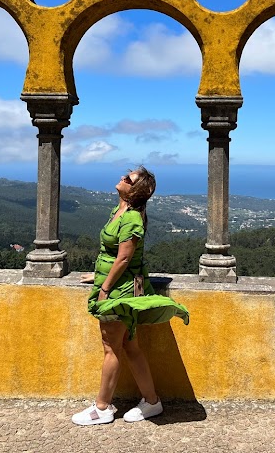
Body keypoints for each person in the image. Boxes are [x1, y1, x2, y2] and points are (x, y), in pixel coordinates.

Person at [72, 166, 189, 426]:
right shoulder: (119, 211)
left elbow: (124, 258)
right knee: (129, 346)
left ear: (135, 191)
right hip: (116, 283)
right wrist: (98, 275)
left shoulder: (133, 218)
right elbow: (113, 253)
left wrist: (104, 289)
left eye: (128, 178)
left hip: (119, 290)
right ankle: (152, 401)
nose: (122, 178)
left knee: (111, 346)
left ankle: (102, 407)